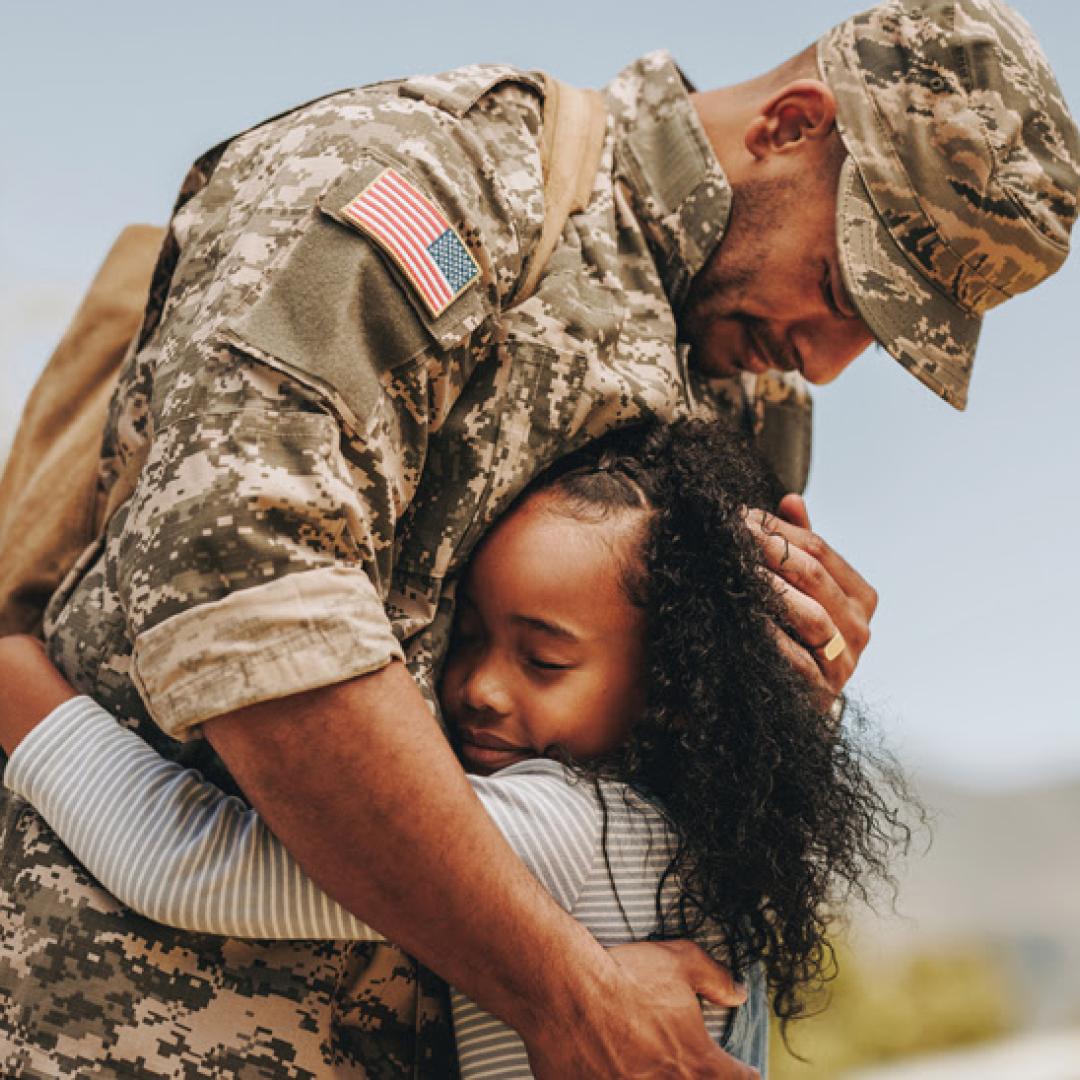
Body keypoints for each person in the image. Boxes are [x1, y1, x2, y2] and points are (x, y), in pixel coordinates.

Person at [0, 0, 1075, 1076]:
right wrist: (568, 996)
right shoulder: (431, 186)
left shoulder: (755, 393)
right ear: (791, 125)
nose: (830, 360)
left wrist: (790, 693)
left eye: (880, 335)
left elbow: (661, 781)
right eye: (845, 288)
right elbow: (256, 620)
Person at [0, 420, 912, 1078]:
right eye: (467, 635)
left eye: (543, 658)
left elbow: (187, 864)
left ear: (672, 694)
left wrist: (22, 690)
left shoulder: (565, 827)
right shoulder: (713, 828)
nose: (478, 685)